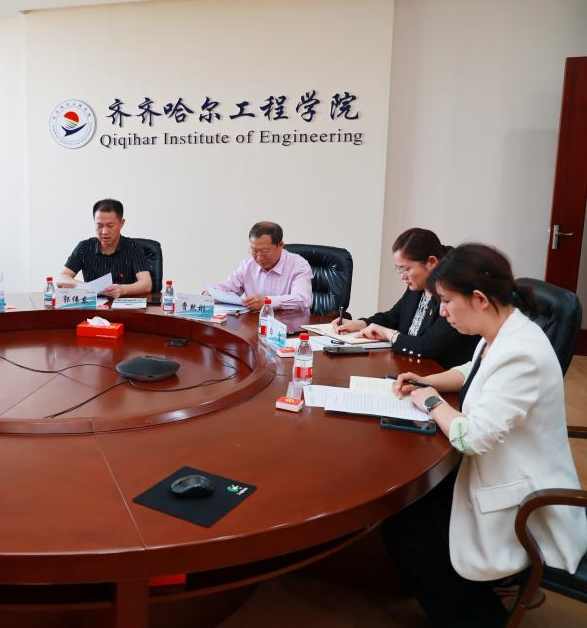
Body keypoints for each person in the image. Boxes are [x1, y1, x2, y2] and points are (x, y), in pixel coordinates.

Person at [383, 243, 587, 627]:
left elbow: (472, 438)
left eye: (446, 302)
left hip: (521, 496)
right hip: (491, 468)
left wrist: (431, 402)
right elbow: (472, 370)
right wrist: (427, 381)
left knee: (411, 532)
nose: (442, 312)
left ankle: (479, 617)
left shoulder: (521, 353)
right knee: (409, 513)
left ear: (478, 298)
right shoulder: (502, 329)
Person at [333, 228, 477, 368]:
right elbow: (393, 317)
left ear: (431, 263)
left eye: (407, 269)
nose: (402, 276)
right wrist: (360, 324)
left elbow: (427, 346)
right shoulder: (418, 286)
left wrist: (388, 334)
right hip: (408, 365)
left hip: (437, 373)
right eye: (399, 269)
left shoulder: (452, 294)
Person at [58, 199, 152, 298]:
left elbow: (146, 284)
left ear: (121, 223)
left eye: (110, 226)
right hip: (93, 304)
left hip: (122, 304)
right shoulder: (84, 247)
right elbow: (62, 278)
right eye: (99, 226)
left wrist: (122, 290)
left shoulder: (132, 247)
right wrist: (86, 287)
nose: (104, 232)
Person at [209, 221, 312, 311]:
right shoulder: (247, 265)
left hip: (290, 324)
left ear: (280, 245)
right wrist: (212, 293)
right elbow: (227, 286)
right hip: (255, 323)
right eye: (254, 251)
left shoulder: (299, 265)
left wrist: (268, 301)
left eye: (265, 252)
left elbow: (303, 300)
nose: (259, 258)